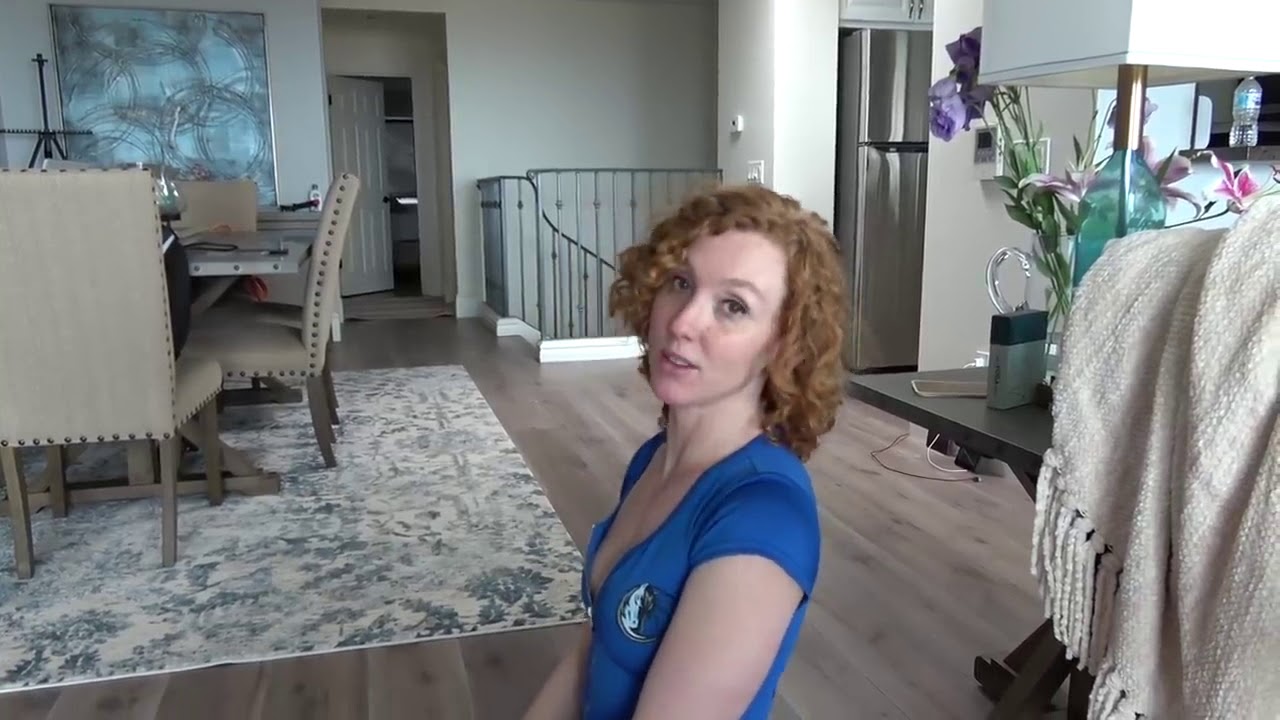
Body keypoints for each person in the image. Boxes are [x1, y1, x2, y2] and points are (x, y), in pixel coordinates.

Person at [523, 184, 848, 719]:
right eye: (681, 283)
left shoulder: (763, 520)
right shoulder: (654, 459)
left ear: (782, 344)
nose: (682, 323)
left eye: (733, 306)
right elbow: (592, 648)